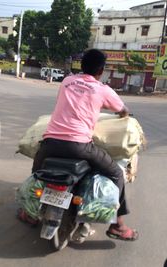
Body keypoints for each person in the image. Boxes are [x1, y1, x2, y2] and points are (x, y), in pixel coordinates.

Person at [32, 49, 138, 242]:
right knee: (116, 173)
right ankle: (117, 226)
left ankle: (29, 212)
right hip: (79, 146)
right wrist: (122, 114)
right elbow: (123, 110)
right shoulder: (102, 89)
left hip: (50, 144)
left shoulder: (66, 81)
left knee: (36, 173)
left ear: (81, 66)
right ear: (101, 70)